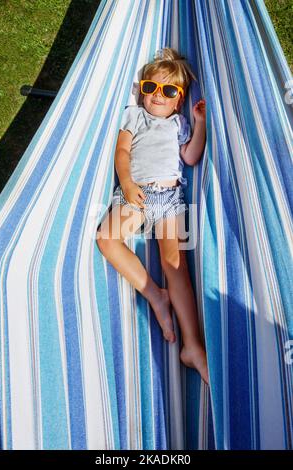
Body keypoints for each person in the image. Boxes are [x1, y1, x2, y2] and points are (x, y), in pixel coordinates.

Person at [96, 47, 209, 385]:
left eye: (169, 91)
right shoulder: (134, 116)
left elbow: (190, 157)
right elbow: (122, 151)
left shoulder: (180, 123)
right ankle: (154, 294)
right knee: (107, 239)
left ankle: (192, 346)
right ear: (142, 90)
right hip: (138, 194)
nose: (158, 96)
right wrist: (127, 183)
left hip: (172, 200)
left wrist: (200, 123)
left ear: (179, 99)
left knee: (177, 268)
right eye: (150, 88)